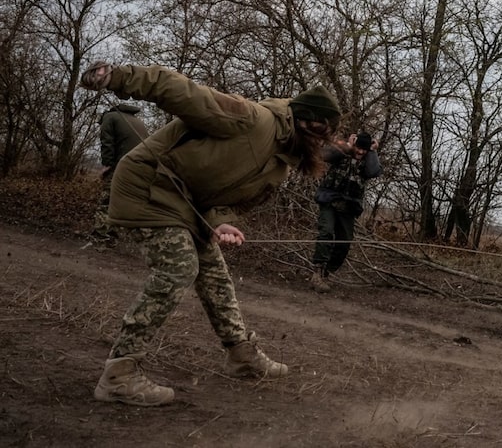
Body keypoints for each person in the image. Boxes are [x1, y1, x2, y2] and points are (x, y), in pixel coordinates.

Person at [79, 61, 341, 407]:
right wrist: (119, 77)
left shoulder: (279, 163)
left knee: (214, 274)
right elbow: (183, 92)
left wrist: (220, 220)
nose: (323, 145)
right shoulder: (252, 119)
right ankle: (119, 375)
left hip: (186, 202)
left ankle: (241, 355)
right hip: (149, 183)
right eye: (323, 135)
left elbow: (223, 195)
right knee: (179, 268)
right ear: (310, 124)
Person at [310, 131, 382, 292]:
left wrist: (373, 151)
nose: (360, 152)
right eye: (358, 148)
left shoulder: (368, 160)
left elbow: (373, 172)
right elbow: (324, 155)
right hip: (329, 201)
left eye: (364, 150)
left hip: (348, 208)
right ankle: (317, 272)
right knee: (326, 233)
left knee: (344, 242)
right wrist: (348, 146)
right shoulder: (342, 152)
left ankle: (327, 272)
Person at [90, 102, 150, 247]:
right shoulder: (137, 121)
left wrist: (107, 165)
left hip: (123, 166)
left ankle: (101, 236)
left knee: (107, 201)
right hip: (142, 168)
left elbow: (107, 143)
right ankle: (115, 234)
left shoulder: (109, 118)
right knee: (125, 202)